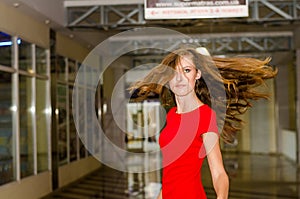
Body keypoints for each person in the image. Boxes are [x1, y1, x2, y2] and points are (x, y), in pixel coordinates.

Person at [129, 47, 277, 199]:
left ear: (197, 74)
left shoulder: (205, 116)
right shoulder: (172, 115)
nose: (179, 78)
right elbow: (171, 175)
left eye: (187, 70)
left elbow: (218, 172)